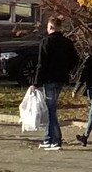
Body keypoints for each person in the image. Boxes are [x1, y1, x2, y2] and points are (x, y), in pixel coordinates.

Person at [32, 15, 80, 151]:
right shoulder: (67, 42)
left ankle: (56, 140)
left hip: (48, 79)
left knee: (51, 110)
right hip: (61, 78)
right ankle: (48, 138)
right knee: (50, 108)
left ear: (50, 27)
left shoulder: (46, 42)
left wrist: (36, 82)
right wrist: (66, 69)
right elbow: (75, 60)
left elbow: (41, 64)